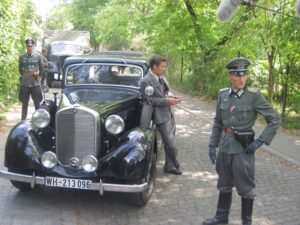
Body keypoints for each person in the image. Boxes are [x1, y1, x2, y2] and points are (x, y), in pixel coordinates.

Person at [203, 57, 281, 225]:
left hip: (242, 150)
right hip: (224, 147)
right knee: (223, 184)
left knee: (246, 188)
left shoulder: (254, 96)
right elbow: (218, 121)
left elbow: (274, 119)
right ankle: (221, 217)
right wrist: (212, 143)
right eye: (237, 75)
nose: (242, 79)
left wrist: (260, 141)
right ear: (230, 76)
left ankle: (247, 222)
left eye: (244, 75)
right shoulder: (223, 94)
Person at [140, 55, 183, 175]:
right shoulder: (146, 81)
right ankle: (174, 164)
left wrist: (173, 97)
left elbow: (166, 91)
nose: (164, 69)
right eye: (162, 66)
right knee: (171, 144)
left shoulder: (161, 77)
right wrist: (166, 101)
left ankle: (169, 166)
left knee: (171, 141)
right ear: (154, 66)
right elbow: (147, 100)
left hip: (169, 113)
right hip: (160, 117)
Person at [19, 39, 45, 120]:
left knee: (37, 104)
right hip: (25, 84)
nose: (29, 48)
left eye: (31, 46)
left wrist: (37, 77)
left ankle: (38, 121)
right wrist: (25, 75)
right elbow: (20, 69)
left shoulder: (39, 56)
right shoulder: (22, 57)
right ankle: (23, 120)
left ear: (33, 46)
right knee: (24, 104)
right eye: (28, 46)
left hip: (35, 84)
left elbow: (42, 69)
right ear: (26, 47)